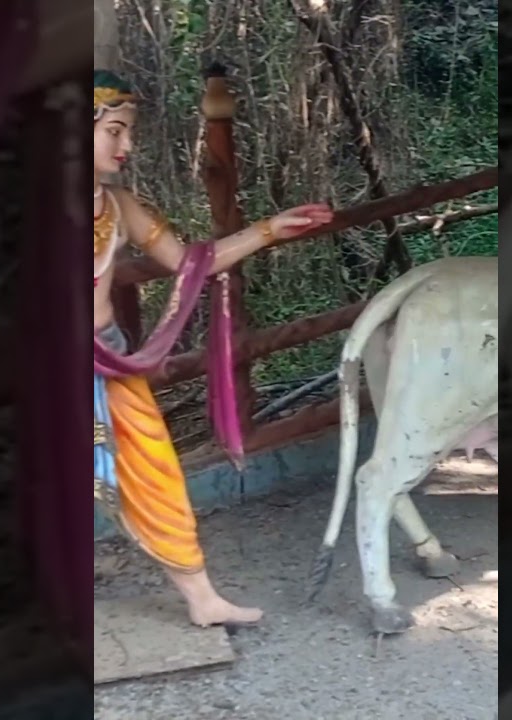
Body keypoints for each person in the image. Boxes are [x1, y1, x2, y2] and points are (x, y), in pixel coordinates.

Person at [92, 70, 332, 626]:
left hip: (109, 356)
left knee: (155, 469)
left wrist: (270, 229)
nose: (127, 146)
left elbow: (191, 262)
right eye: (116, 131)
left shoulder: (120, 207)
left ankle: (202, 599)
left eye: (129, 133)